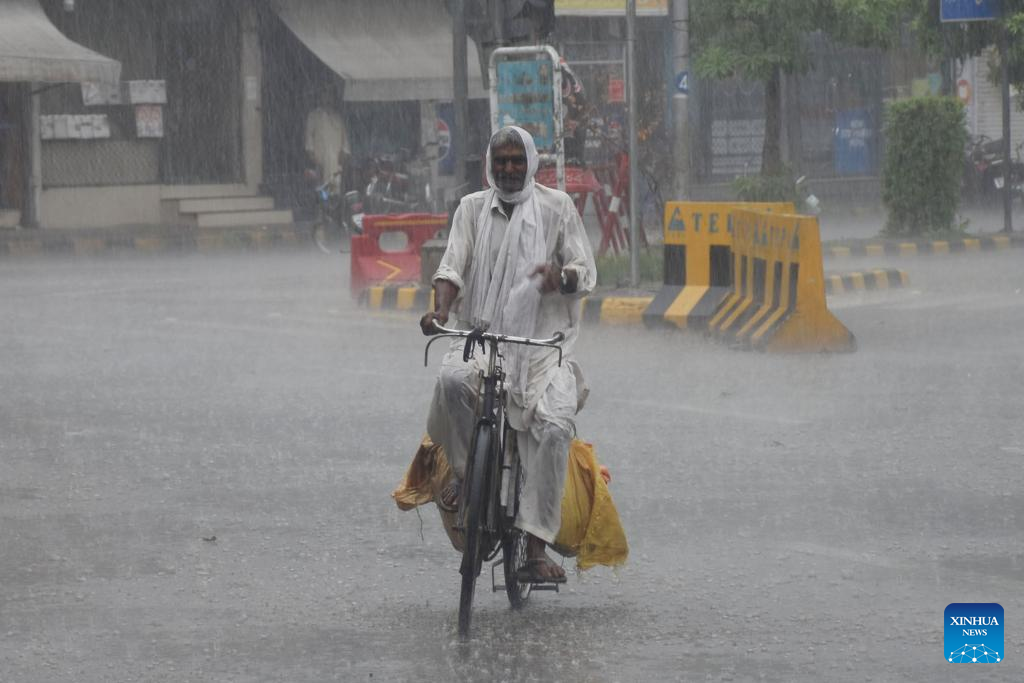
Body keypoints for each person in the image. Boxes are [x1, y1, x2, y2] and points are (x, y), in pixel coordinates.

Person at [420, 126, 596, 582]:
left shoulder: (558, 207)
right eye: (502, 161)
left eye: (518, 160)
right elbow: (450, 267)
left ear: (532, 162)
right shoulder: (471, 209)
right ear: (489, 164)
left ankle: (535, 547)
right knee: (453, 381)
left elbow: (584, 269)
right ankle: (465, 477)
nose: (510, 169)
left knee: (556, 426)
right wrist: (439, 310)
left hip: (542, 348)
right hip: (483, 337)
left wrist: (562, 276)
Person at [303, 94, 350, 195]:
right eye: (325, 94)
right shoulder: (314, 116)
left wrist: (342, 159)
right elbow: (309, 140)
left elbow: (345, 144)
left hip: (336, 164)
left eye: (330, 95)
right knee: (322, 191)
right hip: (320, 162)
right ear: (320, 97)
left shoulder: (338, 118)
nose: (328, 98)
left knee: (335, 192)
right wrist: (313, 158)